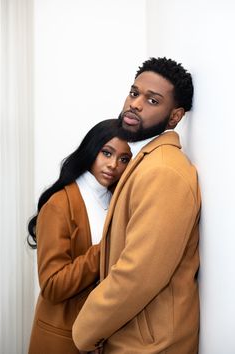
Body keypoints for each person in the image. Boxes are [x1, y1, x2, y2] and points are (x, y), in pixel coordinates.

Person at [72, 57, 201, 354]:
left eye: (152, 100)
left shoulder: (164, 171)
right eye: (134, 93)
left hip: (150, 347)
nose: (136, 104)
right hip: (132, 338)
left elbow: (138, 274)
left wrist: (84, 331)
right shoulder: (145, 160)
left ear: (174, 117)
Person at [27, 119, 132, 354]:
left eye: (124, 159)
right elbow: (53, 285)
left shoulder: (117, 201)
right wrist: (107, 245)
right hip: (63, 338)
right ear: (91, 150)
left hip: (100, 336)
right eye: (107, 153)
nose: (113, 165)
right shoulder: (59, 204)